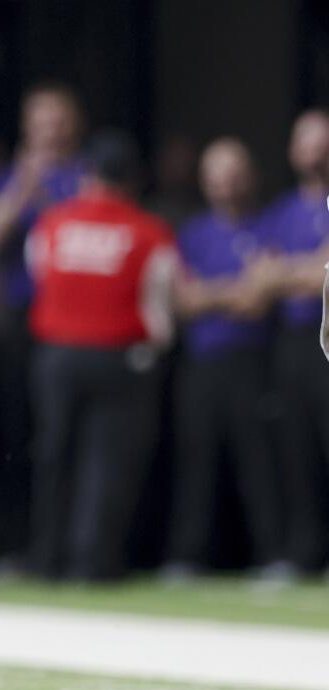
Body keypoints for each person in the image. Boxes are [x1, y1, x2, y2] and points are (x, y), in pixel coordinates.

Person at [25, 130, 177, 581]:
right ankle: (94, 563)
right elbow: (162, 302)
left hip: (58, 356)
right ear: (133, 180)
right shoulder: (149, 232)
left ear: (87, 175)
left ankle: (46, 559)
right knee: (108, 465)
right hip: (121, 359)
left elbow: (40, 279)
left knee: (55, 458)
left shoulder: (52, 223)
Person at [0, 83, 87, 561]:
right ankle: (24, 540)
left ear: (74, 126)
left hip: (77, 318)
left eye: (58, 121)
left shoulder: (87, 174)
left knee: (70, 433)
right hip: (25, 318)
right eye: (40, 122)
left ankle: (74, 541)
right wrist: (24, 184)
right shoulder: (12, 178)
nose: (49, 131)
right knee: (22, 430)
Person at [164, 139, 283, 578]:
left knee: (259, 460)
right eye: (217, 173)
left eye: (234, 172)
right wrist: (235, 290)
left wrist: (214, 293)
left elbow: (261, 300)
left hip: (252, 358)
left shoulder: (269, 226)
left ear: (250, 177)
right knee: (196, 459)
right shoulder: (192, 232)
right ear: (204, 180)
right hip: (203, 360)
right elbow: (184, 300)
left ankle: (273, 555)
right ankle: (188, 555)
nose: (226, 182)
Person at [258, 109, 329, 575]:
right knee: (296, 448)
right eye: (306, 141)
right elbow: (260, 280)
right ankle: (304, 553)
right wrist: (309, 271)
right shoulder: (280, 212)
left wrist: (290, 272)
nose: (314, 150)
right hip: (293, 341)